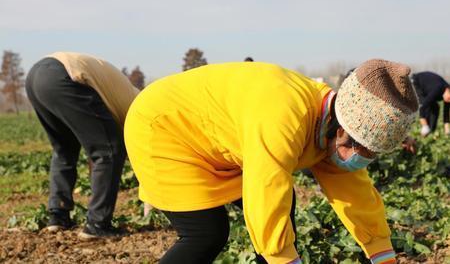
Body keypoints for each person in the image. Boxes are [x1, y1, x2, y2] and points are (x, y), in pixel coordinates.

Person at [124, 59, 418, 264]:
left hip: (218, 139)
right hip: (164, 128)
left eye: (371, 154)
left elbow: (356, 196)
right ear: (342, 129)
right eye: (360, 150)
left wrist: (382, 254)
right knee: (206, 233)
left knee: (283, 200)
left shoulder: (333, 128)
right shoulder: (284, 117)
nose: (358, 160)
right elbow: (265, 192)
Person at [25, 52, 139, 239]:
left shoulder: (126, 95)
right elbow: (132, 153)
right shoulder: (136, 107)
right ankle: (97, 224)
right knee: (109, 150)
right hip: (63, 75)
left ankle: (58, 217)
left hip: (36, 77)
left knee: (64, 149)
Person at [411, 71, 450, 136]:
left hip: (427, 90)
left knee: (436, 107)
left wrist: (447, 130)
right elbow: (422, 106)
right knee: (426, 105)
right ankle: (424, 130)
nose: (449, 101)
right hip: (416, 82)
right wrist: (424, 125)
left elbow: (446, 113)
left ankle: (431, 132)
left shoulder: (447, 96)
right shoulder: (438, 89)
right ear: (448, 90)